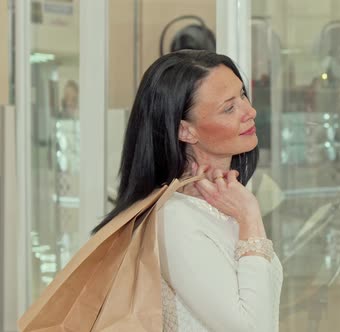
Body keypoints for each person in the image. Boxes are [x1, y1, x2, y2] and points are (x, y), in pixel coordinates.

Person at [92, 50, 283, 331]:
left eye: (242, 95)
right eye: (229, 107)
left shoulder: (223, 202)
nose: (250, 111)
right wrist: (251, 218)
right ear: (186, 131)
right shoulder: (176, 218)